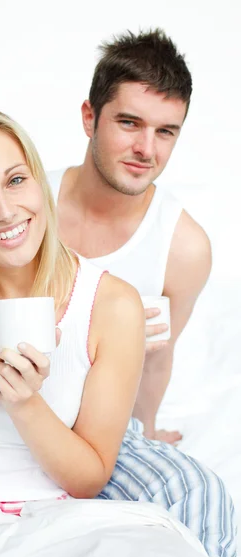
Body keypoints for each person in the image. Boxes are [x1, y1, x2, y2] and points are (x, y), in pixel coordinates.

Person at [0, 107, 238, 557]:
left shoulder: (112, 305)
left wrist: (24, 402)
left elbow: (89, 478)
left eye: (15, 181)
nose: (5, 211)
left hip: (49, 522)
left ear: (39, 183)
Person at [48, 29, 211, 445]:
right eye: (129, 122)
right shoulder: (27, 204)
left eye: (165, 132)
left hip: (101, 438)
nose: (146, 149)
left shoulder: (184, 247)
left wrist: (146, 435)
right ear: (90, 117)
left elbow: (156, 360)